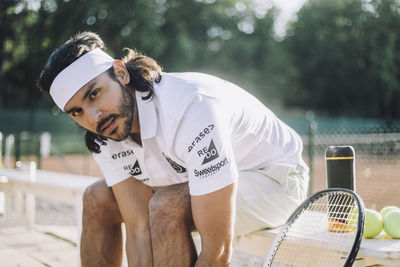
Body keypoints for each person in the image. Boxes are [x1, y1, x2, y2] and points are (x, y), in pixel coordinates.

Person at [38, 31, 309, 267]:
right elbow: (138, 229)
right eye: (77, 112)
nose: (93, 117)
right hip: (195, 181)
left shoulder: (192, 108)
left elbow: (218, 251)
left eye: (94, 93)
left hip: (275, 180)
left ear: (120, 73)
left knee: (166, 206)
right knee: (97, 198)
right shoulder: (106, 132)